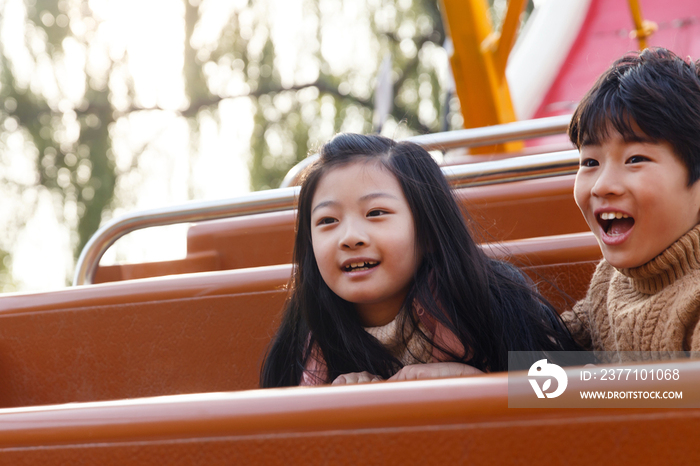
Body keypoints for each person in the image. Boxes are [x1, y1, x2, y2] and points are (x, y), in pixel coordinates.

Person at [260, 133, 580, 387]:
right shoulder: (311, 338)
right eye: (328, 221)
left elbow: (586, 393)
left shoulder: (486, 303)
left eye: (376, 213)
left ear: (427, 231)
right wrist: (337, 403)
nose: (350, 236)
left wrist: (477, 382)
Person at [562, 47, 700, 353]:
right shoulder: (609, 282)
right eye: (589, 163)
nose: (602, 186)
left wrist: (597, 391)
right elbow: (542, 350)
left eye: (635, 158)